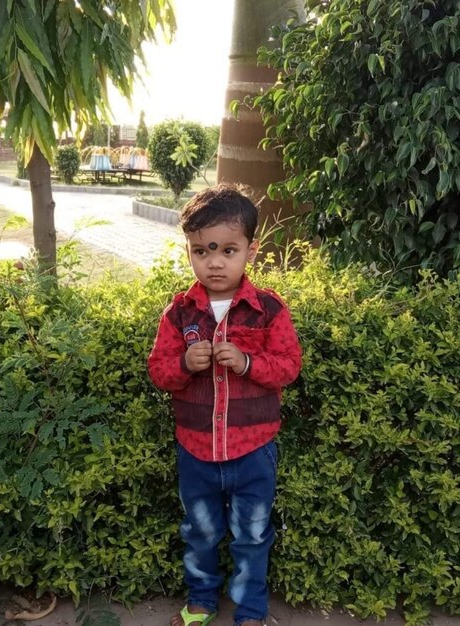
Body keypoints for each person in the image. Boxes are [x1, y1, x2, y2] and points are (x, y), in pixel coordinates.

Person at [147, 183, 302, 626]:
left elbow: (289, 366)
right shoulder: (178, 313)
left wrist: (249, 361)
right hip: (196, 450)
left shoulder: (268, 309)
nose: (214, 262)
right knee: (200, 532)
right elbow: (158, 371)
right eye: (202, 250)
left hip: (254, 450)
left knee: (252, 535)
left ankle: (250, 612)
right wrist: (183, 363)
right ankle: (201, 602)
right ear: (190, 250)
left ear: (250, 250)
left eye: (227, 250)